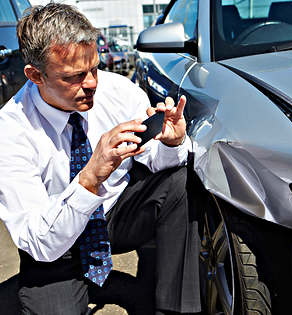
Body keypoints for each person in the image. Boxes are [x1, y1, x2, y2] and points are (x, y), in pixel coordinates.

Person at [0, 3, 201, 315]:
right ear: (35, 75)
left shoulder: (117, 90)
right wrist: (89, 178)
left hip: (115, 218)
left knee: (180, 181)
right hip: (56, 246)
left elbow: (157, 164)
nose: (92, 83)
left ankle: (174, 308)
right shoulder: (11, 131)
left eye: (93, 68)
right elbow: (40, 243)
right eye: (75, 76)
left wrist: (171, 145)